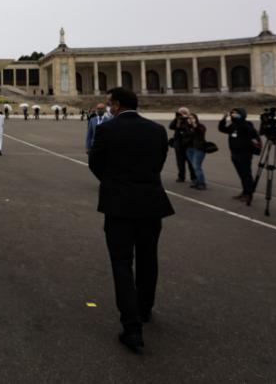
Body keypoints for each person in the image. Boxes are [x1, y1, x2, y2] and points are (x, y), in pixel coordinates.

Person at [88, 87, 174, 355]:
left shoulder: (107, 130)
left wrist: (113, 182)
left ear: (115, 105)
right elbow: (159, 163)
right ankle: (145, 309)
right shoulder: (157, 130)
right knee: (149, 257)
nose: (109, 108)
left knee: (122, 262)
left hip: (119, 204)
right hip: (151, 202)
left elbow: (95, 163)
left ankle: (132, 327)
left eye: (111, 105)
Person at [218, 108, 260, 202]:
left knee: (246, 174)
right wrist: (224, 118)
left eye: (236, 113)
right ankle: (245, 191)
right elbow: (222, 129)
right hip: (235, 153)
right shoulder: (233, 125)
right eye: (233, 113)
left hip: (245, 153)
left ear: (242, 115)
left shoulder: (247, 124)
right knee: (241, 174)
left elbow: (249, 132)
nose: (233, 115)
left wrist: (240, 119)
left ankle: (249, 194)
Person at [168, 108, 196, 183]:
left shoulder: (190, 119)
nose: (182, 114)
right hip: (179, 144)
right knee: (180, 162)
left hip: (189, 145)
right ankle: (181, 176)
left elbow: (193, 127)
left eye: (184, 112)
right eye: (181, 112)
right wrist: (177, 118)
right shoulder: (178, 120)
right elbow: (171, 126)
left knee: (191, 162)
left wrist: (187, 118)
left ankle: (193, 177)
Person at [184, 113, 209, 190]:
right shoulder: (187, 127)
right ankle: (197, 182)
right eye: (189, 118)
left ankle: (202, 183)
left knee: (197, 166)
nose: (190, 120)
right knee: (193, 166)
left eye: (192, 118)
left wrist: (195, 126)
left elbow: (200, 133)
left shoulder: (201, 126)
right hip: (189, 149)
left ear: (196, 119)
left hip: (198, 149)